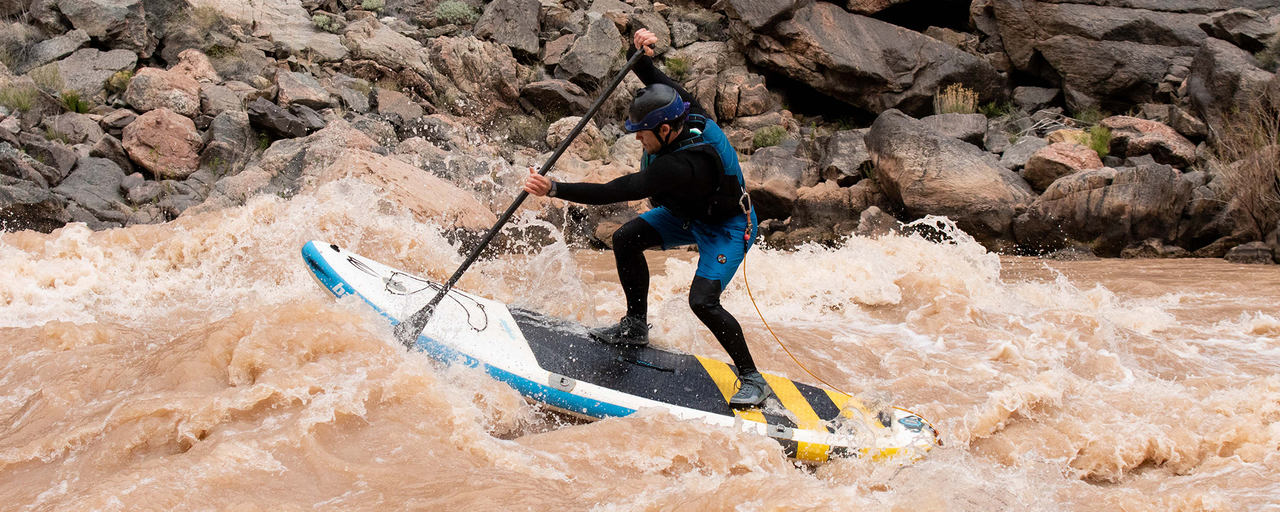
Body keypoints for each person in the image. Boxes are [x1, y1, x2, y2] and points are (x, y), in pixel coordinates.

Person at [523, 29, 772, 408]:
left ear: (667, 129)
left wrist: (554, 188)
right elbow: (654, 78)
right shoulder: (679, 107)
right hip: (687, 212)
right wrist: (637, 49)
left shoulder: (682, 165)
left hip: (727, 227)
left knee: (703, 301)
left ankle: (753, 378)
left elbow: (614, 191)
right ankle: (635, 326)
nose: (638, 140)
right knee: (626, 239)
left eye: (642, 134)